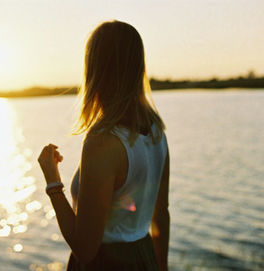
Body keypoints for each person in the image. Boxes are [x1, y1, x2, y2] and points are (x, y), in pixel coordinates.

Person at [38, 20, 170, 271]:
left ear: (95, 69)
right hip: (144, 257)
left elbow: (86, 250)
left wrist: (52, 182)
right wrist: (160, 266)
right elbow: (160, 216)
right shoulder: (156, 132)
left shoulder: (103, 141)